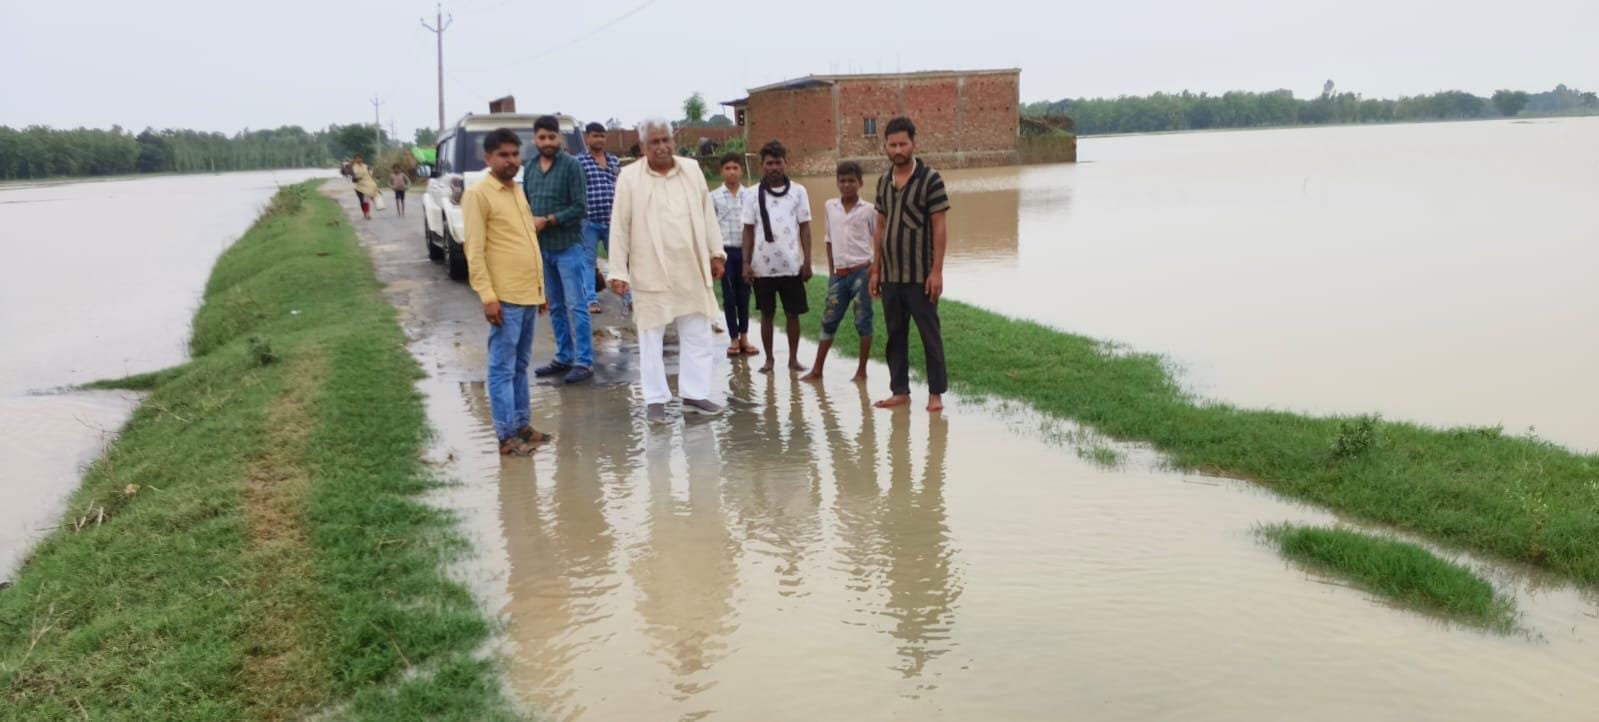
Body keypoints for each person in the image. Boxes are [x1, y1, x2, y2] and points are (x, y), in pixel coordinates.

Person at [608, 118, 728, 424]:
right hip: (650, 270)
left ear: (673, 141)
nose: (661, 147)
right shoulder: (630, 177)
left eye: (665, 140)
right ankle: (655, 400)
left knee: (698, 333)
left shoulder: (691, 170)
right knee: (651, 337)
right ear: (643, 146)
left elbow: (707, 215)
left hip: (691, 267)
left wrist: (716, 253)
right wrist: (618, 271)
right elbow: (619, 228)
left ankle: (695, 395)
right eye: (654, 142)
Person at [462, 128, 552, 455]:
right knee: (501, 368)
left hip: (528, 294)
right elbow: (475, 250)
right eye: (504, 155)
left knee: (520, 364)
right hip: (505, 298)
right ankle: (506, 437)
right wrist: (488, 296)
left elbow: (528, 239)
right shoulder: (478, 194)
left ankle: (522, 426)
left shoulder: (516, 190)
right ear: (488, 158)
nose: (512, 160)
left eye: (515, 154)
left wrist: (541, 290)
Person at [869, 117, 951, 412]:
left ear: (914, 143)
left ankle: (936, 393)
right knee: (895, 335)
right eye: (893, 144)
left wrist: (937, 271)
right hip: (890, 275)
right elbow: (879, 225)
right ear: (885, 147)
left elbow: (939, 226)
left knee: (930, 334)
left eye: (903, 143)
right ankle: (900, 391)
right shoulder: (883, 181)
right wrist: (875, 269)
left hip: (920, 275)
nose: (898, 149)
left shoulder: (931, 179)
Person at [523, 115, 593, 384]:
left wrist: (548, 220)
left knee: (577, 305)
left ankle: (584, 361)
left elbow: (579, 207)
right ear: (535, 140)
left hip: (568, 247)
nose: (547, 142)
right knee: (555, 307)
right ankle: (564, 356)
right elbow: (525, 204)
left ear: (560, 138)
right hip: (543, 250)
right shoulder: (529, 168)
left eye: (552, 137)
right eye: (542, 137)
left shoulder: (571, 166)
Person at [740, 140, 812, 374]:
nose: (774, 167)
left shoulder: (799, 192)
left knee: (793, 315)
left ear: (785, 163)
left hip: (791, 266)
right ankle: (769, 359)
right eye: (769, 163)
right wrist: (745, 263)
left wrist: (808, 261)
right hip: (762, 268)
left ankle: (793, 359)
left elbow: (805, 227)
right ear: (762, 165)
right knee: (766, 315)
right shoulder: (751, 194)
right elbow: (748, 230)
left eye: (778, 162)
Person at [801, 161, 876, 383]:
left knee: (863, 320)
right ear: (837, 183)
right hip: (839, 275)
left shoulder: (869, 210)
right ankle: (817, 370)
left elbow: (879, 241)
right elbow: (829, 240)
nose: (846, 185)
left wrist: (873, 270)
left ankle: (862, 371)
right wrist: (833, 270)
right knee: (829, 319)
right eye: (842, 181)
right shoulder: (829, 207)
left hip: (862, 272)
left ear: (860, 183)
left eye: (851, 180)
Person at [710, 153, 757, 358]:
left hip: (746, 252)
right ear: (721, 171)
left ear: (742, 170)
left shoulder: (751, 195)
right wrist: (714, 257)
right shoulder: (713, 197)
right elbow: (709, 227)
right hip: (724, 253)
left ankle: (745, 337)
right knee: (729, 297)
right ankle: (733, 339)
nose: (731, 172)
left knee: (744, 296)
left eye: (735, 168)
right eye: (727, 168)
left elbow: (756, 225)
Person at [576, 121, 621, 314]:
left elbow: (620, 186)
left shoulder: (613, 161)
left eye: (602, 135)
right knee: (588, 261)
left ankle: (629, 297)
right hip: (589, 221)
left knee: (619, 260)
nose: (599, 139)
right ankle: (591, 300)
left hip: (612, 220)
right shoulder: (579, 161)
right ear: (587, 138)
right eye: (595, 135)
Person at [350, 154, 379, 220]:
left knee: (366, 200)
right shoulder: (353, 167)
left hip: (366, 186)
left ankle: (367, 214)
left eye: (360, 158)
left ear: (362, 159)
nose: (359, 159)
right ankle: (364, 213)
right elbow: (353, 178)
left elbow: (370, 173)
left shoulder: (365, 166)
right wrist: (357, 178)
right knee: (361, 201)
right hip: (358, 186)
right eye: (357, 158)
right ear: (354, 160)